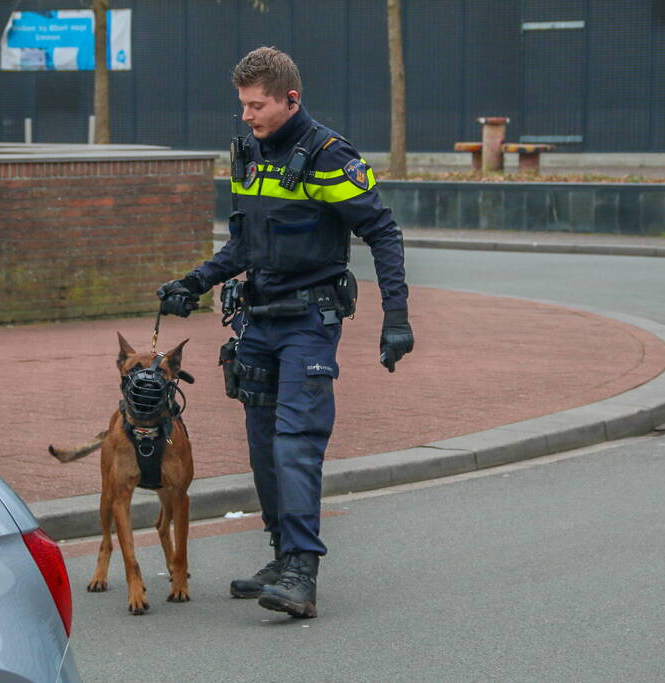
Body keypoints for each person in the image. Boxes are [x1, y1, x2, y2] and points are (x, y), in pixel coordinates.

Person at [157, 46, 413, 618]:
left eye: (257, 105)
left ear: (290, 99)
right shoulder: (247, 153)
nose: (247, 116)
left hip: (309, 323)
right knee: (262, 444)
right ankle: (280, 554)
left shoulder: (328, 155)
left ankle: (302, 571)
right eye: (242, 106)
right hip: (258, 320)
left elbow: (384, 234)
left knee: (296, 442)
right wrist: (193, 282)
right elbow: (245, 245)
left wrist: (396, 317)